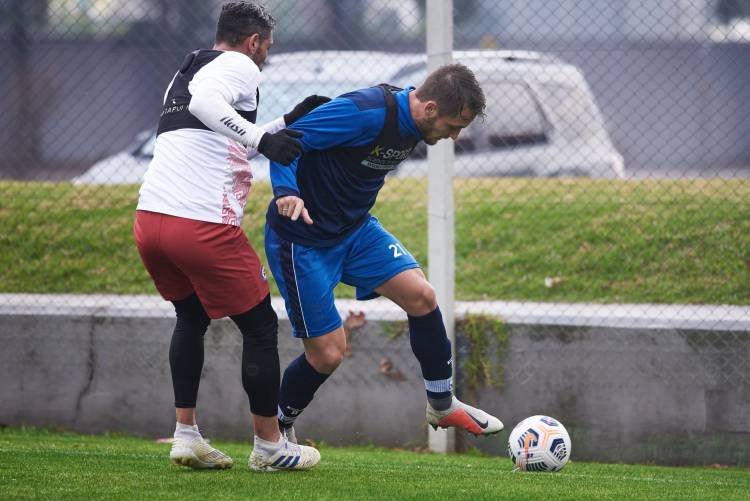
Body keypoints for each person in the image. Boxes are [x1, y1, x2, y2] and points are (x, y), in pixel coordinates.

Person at [264, 64, 504, 445]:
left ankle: (442, 405)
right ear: (428, 109)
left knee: (421, 296)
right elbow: (285, 143)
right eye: (454, 126)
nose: (455, 137)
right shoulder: (365, 112)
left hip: (355, 230)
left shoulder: (414, 120)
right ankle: (275, 428)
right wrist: (286, 192)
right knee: (327, 354)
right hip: (303, 238)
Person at [133, 1, 327, 472]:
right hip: (200, 224)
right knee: (259, 327)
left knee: (191, 316)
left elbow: (212, 132)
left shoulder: (188, 69)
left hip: (151, 221)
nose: (265, 58)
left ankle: (186, 435)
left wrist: (281, 124)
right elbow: (209, 108)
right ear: (253, 41)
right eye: (267, 49)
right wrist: (264, 140)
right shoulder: (239, 65)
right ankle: (269, 448)